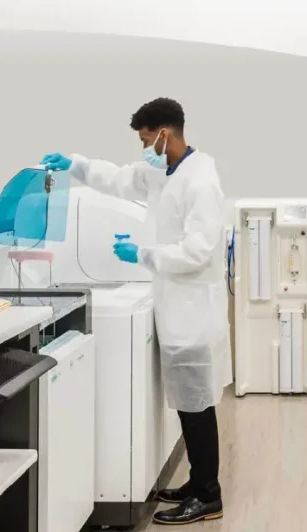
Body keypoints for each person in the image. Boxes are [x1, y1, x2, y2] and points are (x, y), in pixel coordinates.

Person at [41, 98, 231, 526]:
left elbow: (198, 252)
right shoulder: (165, 171)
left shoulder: (200, 181)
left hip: (193, 312)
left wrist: (143, 254)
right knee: (188, 405)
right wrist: (75, 164)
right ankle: (198, 483)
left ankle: (208, 495)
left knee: (197, 406)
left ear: (165, 133)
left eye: (146, 140)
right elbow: (118, 178)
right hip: (176, 305)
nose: (144, 149)